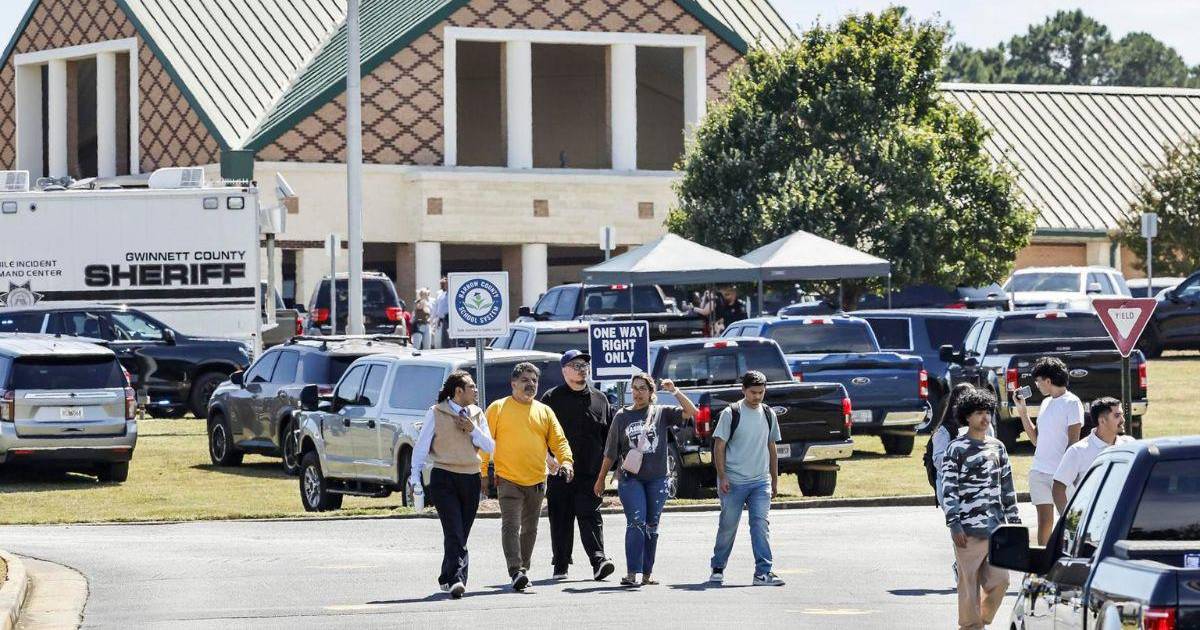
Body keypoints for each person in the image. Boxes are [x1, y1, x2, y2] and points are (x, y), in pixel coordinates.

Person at [593, 373, 697, 587]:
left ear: (651, 392)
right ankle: (632, 573)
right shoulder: (622, 416)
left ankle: (647, 573)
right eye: (634, 388)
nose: (637, 393)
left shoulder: (661, 413)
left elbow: (691, 412)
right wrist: (601, 479)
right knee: (636, 522)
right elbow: (610, 452)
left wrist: (675, 391)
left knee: (652, 525)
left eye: (642, 388)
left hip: (657, 479)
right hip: (630, 479)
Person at [479, 362, 574, 591]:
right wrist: (482, 472)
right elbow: (484, 442)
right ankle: (516, 570)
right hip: (508, 479)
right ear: (513, 384)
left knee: (530, 529)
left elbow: (559, 440)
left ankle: (523, 568)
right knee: (511, 526)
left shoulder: (544, 411)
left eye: (534, 381)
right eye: (525, 380)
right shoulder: (498, 408)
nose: (530, 384)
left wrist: (567, 461)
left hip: (537, 480)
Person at [409, 371, 494, 599]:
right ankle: (457, 579)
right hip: (444, 477)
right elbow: (421, 447)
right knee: (454, 530)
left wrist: (472, 429)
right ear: (458, 391)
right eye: (471, 386)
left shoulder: (477, 414)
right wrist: (415, 478)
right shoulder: (436, 412)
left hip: (470, 477)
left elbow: (490, 446)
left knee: (461, 532)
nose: (476, 390)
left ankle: (447, 576)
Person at [940, 388, 1020, 630]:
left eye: (987, 412)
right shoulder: (956, 448)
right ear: (967, 416)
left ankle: (979, 620)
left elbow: (1008, 488)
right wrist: (954, 523)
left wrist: (1014, 523)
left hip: (996, 529)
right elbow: (949, 488)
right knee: (968, 588)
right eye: (978, 413)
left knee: (1001, 581)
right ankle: (971, 626)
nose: (985, 418)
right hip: (967, 531)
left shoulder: (998, 447)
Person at [540, 349, 616, 581]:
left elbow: (608, 437)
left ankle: (599, 561)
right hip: (560, 472)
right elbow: (539, 435)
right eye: (576, 366)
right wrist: (549, 459)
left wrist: (608, 470)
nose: (582, 370)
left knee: (590, 515)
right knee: (560, 518)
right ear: (564, 371)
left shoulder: (600, 399)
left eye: (584, 366)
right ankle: (561, 564)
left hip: (590, 473)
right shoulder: (551, 399)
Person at [708, 370, 785, 587]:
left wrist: (774, 479)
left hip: (760, 481)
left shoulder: (768, 414)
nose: (757, 397)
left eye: (761, 392)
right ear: (743, 390)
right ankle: (718, 567)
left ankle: (763, 572)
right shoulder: (731, 413)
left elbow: (772, 447)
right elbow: (719, 446)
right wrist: (722, 476)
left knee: (760, 525)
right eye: (753, 392)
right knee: (728, 526)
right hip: (733, 481)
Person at [1015, 356, 1083, 546]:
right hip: (1039, 472)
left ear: (1048, 380)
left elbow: (1073, 442)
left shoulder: (1072, 402)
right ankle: (1043, 560)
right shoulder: (1046, 403)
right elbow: (1036, 440)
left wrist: (1066, 473)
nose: (1036, 385)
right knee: (1044, 522)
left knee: (1070, 522)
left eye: (1038, 381)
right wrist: (1022, 412)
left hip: (1061, 476)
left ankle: (1071, 556)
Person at [1051, 397, 1134, 513]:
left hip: (1124, 516)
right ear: (1102, 421)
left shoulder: (1130, 444)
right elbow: (1058, 488)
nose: (1123, 420)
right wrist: (1068, 520)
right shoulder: (1078, 451)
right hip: (1092, 519)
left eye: (1122, 415)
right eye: (1117, 416)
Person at [929, 383, 979, 505]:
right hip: (952, 491)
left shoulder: (982, 426)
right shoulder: (944, 431)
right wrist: (961, 457)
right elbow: (938, 460)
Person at [432, 277, 449, 349]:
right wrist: (434, 318)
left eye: (443, 284)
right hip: (440, 319)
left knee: (448, 338)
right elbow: (436, 307)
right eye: (441, 284)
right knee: (441, 339)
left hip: (448, 318)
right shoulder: (439, 294)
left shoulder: (451, 293)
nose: (442, 285)